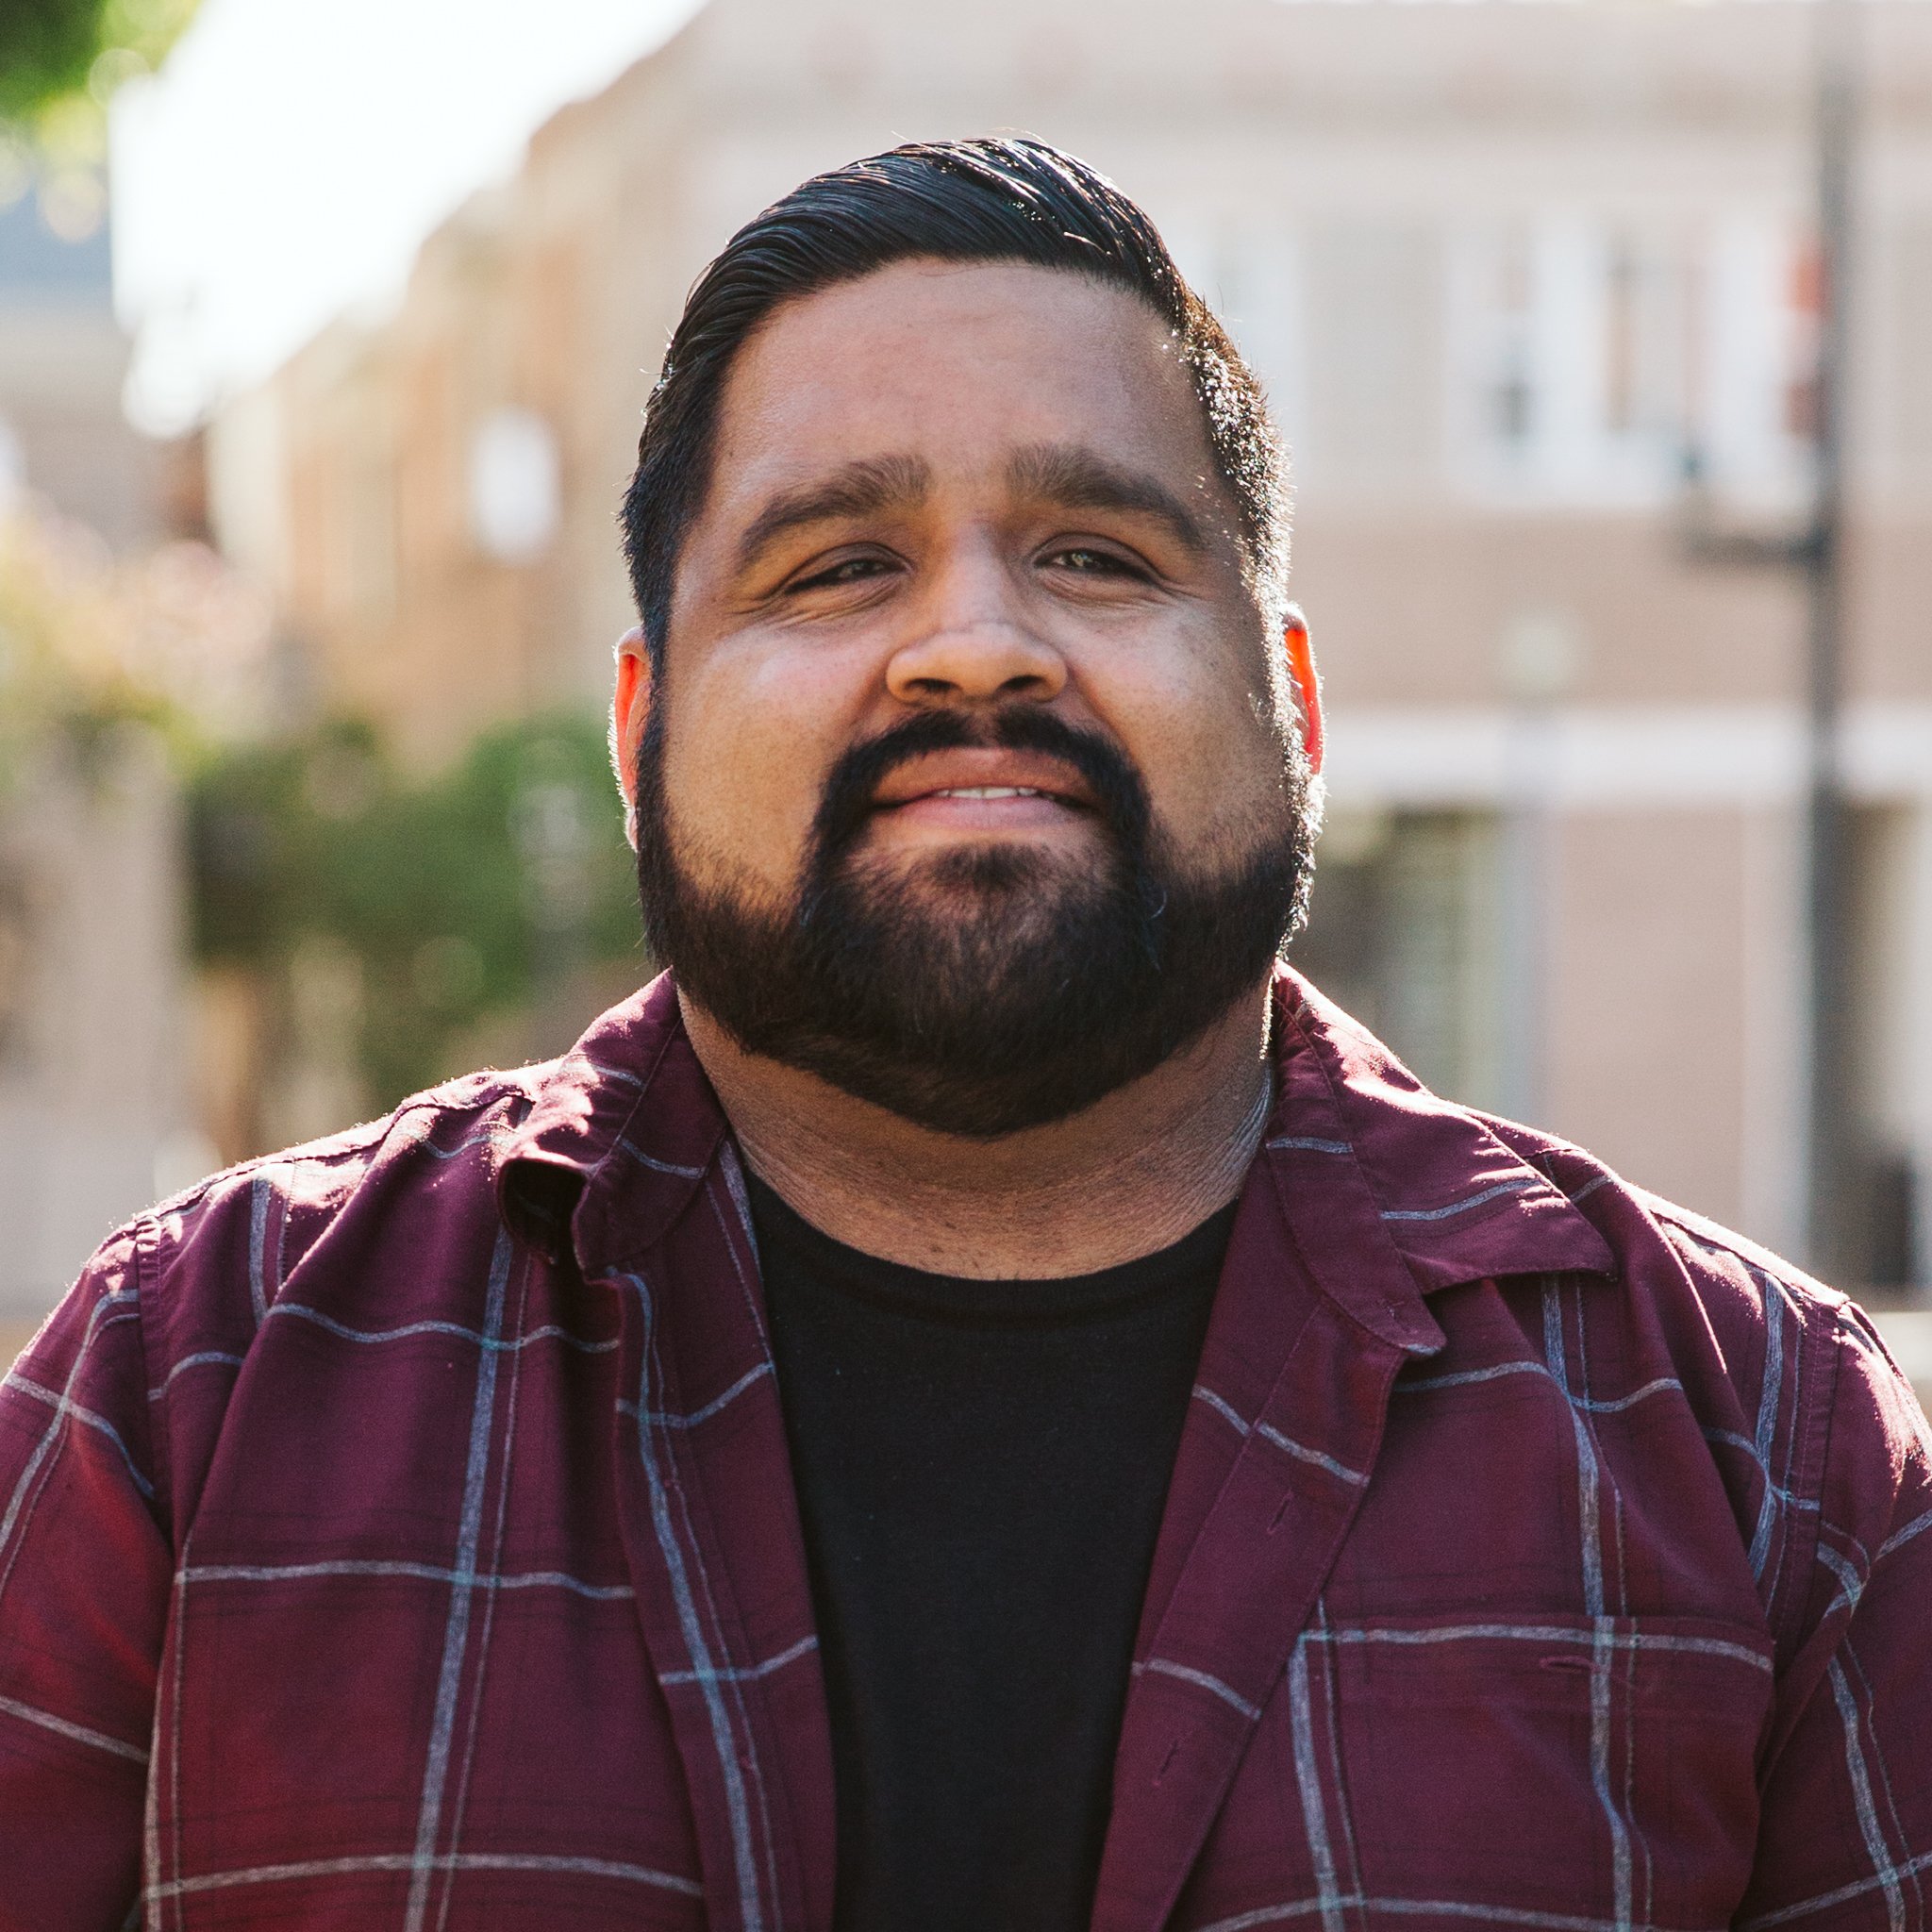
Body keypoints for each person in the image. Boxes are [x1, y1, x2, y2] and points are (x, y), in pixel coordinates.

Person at [2, 138, 1927, 1932]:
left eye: (1097, 552)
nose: (975, 645)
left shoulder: (1769, 1455)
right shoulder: (194, 1387)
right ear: (639, 735)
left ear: (1294, 708)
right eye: (835, 565)